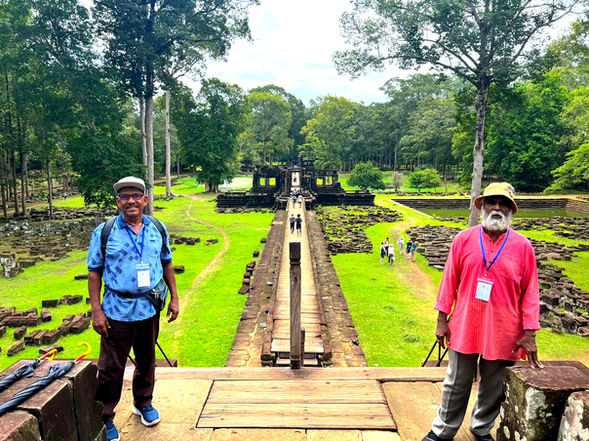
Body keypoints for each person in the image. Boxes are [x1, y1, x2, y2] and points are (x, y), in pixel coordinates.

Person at [421, 182, 541, 441]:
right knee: (456, 381)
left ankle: (481, 427)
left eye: (503, 203)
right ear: (483, 206)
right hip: (466, 322)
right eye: (492, 202)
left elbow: (530, 293)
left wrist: (529, 333)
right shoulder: (463, 240)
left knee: (494, 386)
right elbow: (448, 283)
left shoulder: (523, 247)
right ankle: (443, 430)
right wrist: (442, 320)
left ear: (511, 210)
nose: (497, 207)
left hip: (505, 328)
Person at [87, 176, 180, 441]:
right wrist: (97, 311)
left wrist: (174, 298)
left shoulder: (157, 228)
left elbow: (167, 264)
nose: (131, 201)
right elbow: (94, 272)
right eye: (125, 197)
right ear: (118, 202)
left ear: (145, 200)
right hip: (116, 310)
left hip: (149, 308)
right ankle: (105, 417)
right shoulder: (104, 232)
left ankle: (142, 403)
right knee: (110, 368)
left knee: (147, 360)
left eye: (136, 196)